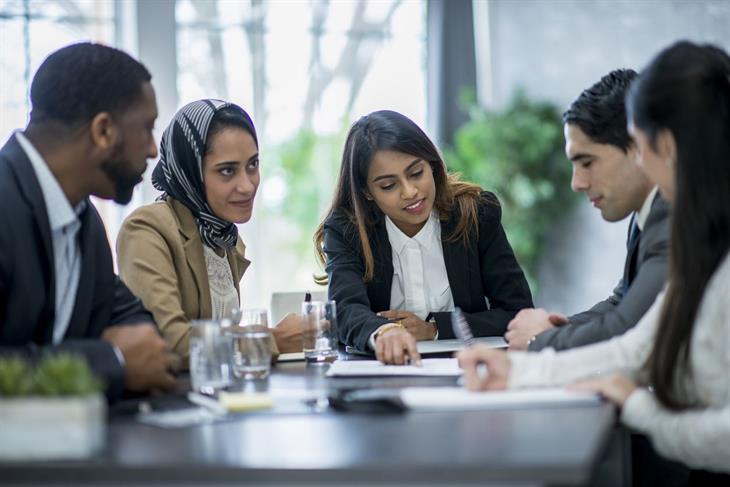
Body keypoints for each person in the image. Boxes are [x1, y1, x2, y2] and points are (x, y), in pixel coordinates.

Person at [458, 41, 730, 482]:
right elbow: (637, 346)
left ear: (668, 147)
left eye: (640, 148)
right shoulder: (701, 237)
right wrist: (518, 370)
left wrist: (639, 408)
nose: (642, 166)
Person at [0, 43, 177, 400]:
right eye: (146, 128)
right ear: (103, 131)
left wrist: (129, 351)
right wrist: (110, 360)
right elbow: (122, 353)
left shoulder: (83, 221)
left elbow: (134, 324)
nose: (153, 149)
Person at [314, 110, 532, 365]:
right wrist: (385, 332)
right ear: (367, 192)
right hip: (384, 377)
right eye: (388, 185)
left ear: (432, 164)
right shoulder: (346, 230)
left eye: (416, 173)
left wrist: (434, 329)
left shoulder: (476, 214)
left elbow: (517, 312)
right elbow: (344, 310)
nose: (410, 192)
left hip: (470, 371)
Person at [117, 99, 303, 364]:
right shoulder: (147, 229)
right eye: (227, 171)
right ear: (190, 171)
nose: (248, 186)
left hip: (218, 398)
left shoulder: (224, 235)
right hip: (173, 403)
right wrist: (274, 340)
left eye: (253, 165)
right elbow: (172, 342)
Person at [506, 69, 670, 352]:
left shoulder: (673, 213)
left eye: (587, 162)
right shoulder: (645, 211)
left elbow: (629, 328)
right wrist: (562, 328)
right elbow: (623, 302)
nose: (576, 183)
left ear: (638, 147)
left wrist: (540, 339)